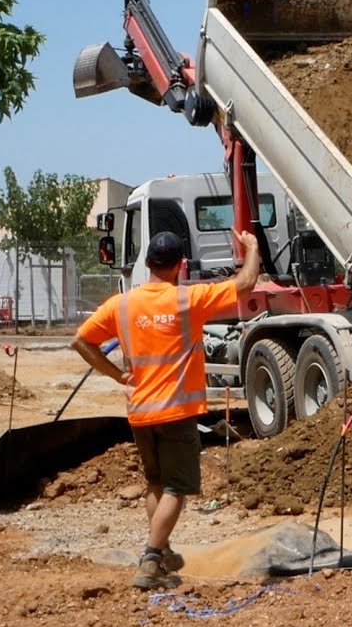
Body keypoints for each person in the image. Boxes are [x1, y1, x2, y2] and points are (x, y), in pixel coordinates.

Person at [71, 230, 260, 589]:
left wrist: (116, 375)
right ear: (180, 265)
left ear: (146, 263)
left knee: (156, 482)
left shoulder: (122, 304)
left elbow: (80, 340)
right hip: (177, 412)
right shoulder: (189, 300)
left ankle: (164, 549)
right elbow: (246, 282)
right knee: (177, 487)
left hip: (140, 412)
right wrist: (251, 248)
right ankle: (152, 559)